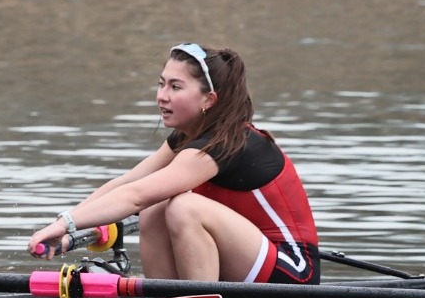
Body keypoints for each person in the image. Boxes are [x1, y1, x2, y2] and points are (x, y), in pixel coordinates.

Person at [28, 43, 319, 285]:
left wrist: (68, 221)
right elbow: (127, 183)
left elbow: (134, 196)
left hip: (293, 273)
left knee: (182, 207)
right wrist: (66, 228)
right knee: (156, 207)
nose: (162, 96)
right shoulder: (187, 138)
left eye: (176, 87)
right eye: (161, 83)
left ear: (209, 99)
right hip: (249, 261)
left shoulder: (224, 144)